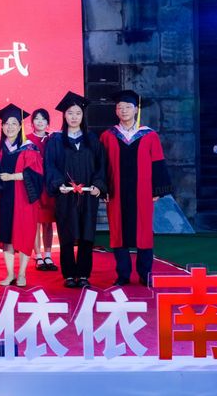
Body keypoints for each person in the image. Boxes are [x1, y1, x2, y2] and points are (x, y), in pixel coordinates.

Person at [100, 90, 173, 287]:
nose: (123, 110)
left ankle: (145, 273)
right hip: (116, 192)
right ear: (116, 111)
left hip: (143, 192)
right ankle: (123, 275)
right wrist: (103, 189)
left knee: (144, 232)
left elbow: (157, 162)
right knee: (118, 232)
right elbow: (101, 165)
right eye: (120, 107)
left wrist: (157, 190)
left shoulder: (149, 135)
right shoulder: (108, 136)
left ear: (136, 110)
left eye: (128, 107)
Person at [45, 92, 106, 288]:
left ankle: (84, 274)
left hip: (88, 194)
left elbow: (101, 165)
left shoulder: (92, 139)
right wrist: (58, 184)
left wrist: (98, 185)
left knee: (87, 234)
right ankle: (69, 275)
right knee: (67, 234)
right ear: (64, 115)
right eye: (70, 113)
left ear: (82, 115)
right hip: (66, 194)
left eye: (78, 113)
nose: (74, 117)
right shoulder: (55, 140)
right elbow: (50, 165)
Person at [0, 104, 44, 288]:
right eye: (7, 123)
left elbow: (36, 174)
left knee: (23, 234)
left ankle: (22, 274)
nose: (10, 127)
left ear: (20, 126)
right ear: (2, 126)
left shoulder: (29, 147)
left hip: (24, 198)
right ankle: (10, 273)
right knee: (6, 235)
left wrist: (12, 177)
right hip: (5, 198)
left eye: (14, 123)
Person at [26, 108, 58, 272]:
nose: (40, 122)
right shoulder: (26, 140)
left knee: (48, 222)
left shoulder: (53, 139)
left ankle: (48, 255)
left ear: (48, 123)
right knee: (35, 222)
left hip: (49, 185)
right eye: (37, 119)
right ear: (32, 122)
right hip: (33, 185)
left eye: (43, 119)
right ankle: (38, 255)